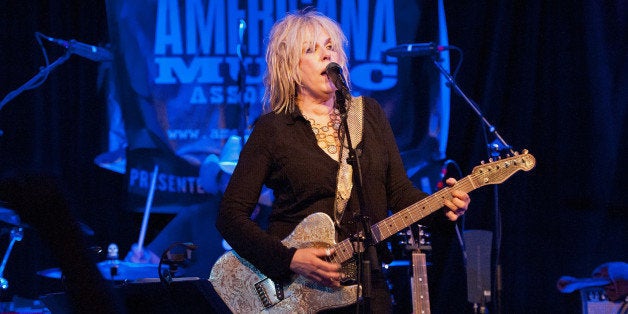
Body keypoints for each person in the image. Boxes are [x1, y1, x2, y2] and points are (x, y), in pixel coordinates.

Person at [215, 9, 470, 313]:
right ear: (291, 68)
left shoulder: (369, 114)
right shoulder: (274, 129)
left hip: (367, 282)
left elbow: (400, 193)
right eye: (311, 50)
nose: (326, 55)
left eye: (330, 46)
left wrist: (442, 206)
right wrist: (290, 259)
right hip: (297, 292)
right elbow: (230, 216)